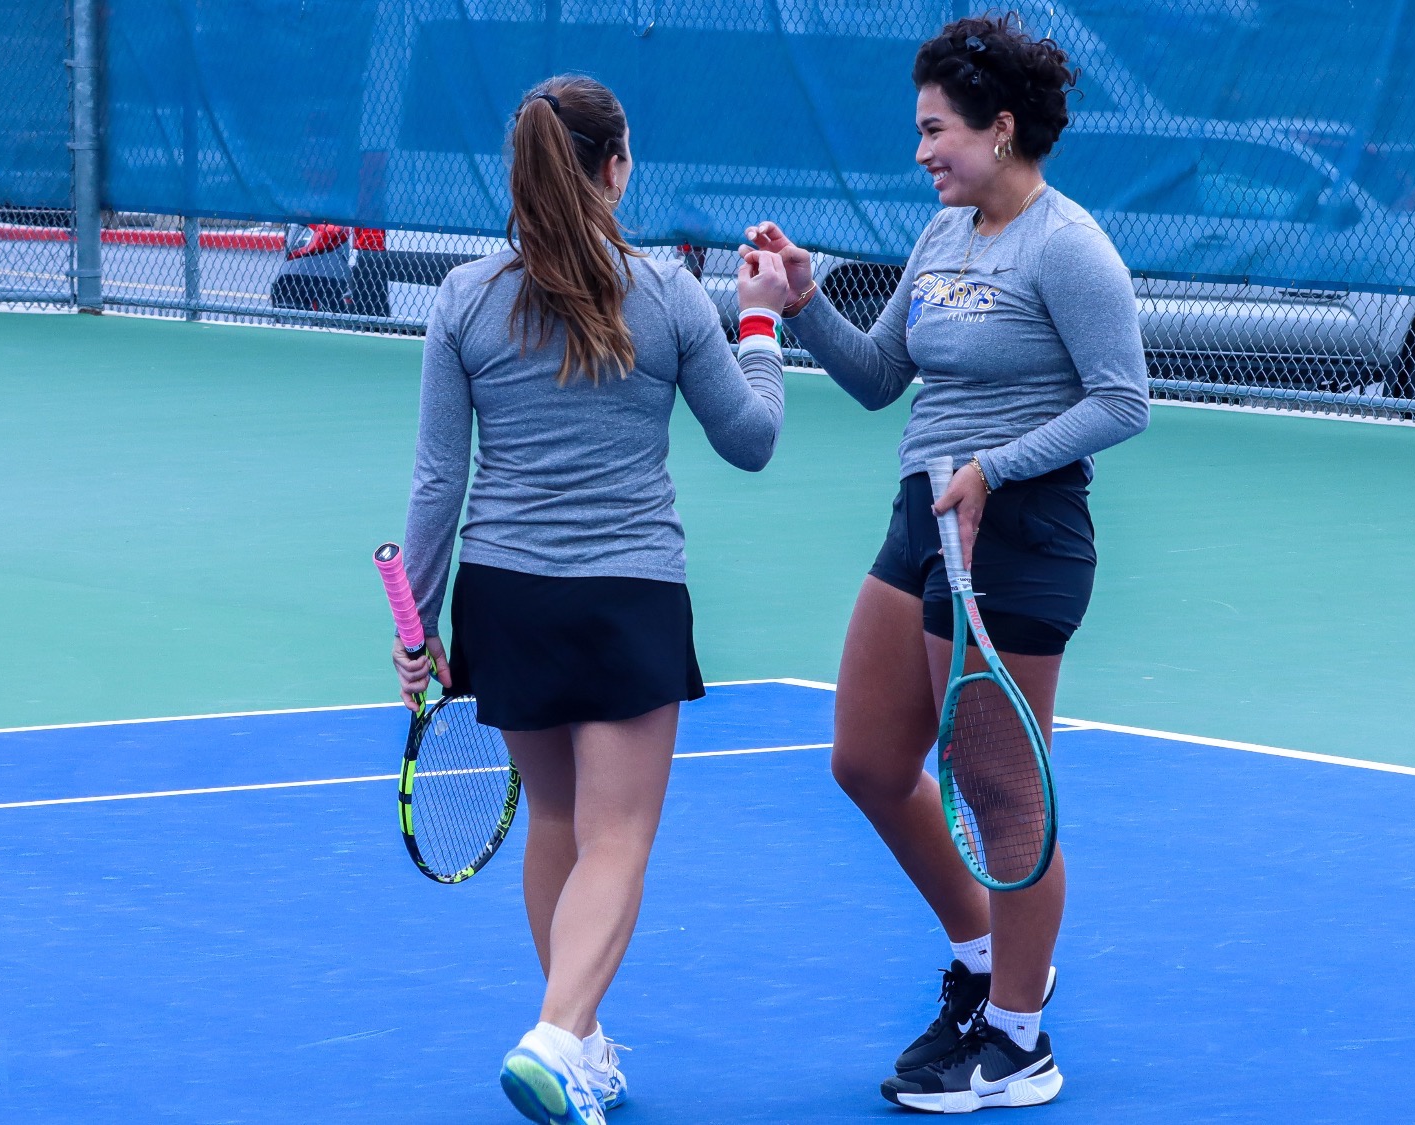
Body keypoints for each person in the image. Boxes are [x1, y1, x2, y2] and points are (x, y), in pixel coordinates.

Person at [743, 13, 1150, 1114]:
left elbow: (1123, 401)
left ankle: (1020, 1038)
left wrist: (995, 468)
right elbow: (880, 379)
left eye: (935, 131)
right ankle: (983, 962)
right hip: (921, 519)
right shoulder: (941, 238)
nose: (920, 151)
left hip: (1016, 534)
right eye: (918, 131)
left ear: (1000, 127)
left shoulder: (1067, 246)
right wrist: (803, 302)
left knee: (1001, 795)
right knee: (867, 763)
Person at [394, 75, 793, 1125]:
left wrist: (420, 622)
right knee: (615, 839)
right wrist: (759, 320)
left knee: (560, 823)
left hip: (503, 600)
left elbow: (440, 479)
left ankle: (578, 1040)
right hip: (625, 596)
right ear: (617, 167)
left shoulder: (463, 298)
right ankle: (560, 1035)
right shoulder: (665, 295)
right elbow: (750, 440)